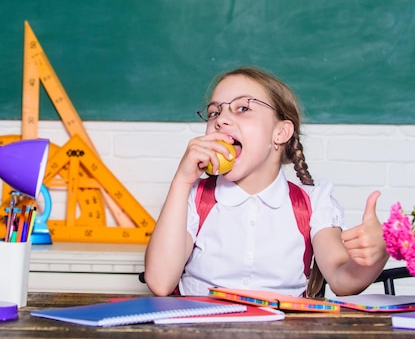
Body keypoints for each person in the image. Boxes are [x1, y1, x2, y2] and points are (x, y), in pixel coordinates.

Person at [144, 66, 389, 297]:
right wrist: (182, 180)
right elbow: (160, 282)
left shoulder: (313, 203)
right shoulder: (193, 198)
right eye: (214, 113)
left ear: (280, 133)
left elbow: (341, 279)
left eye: (242, 108)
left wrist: (379, 253)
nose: (220, 120)